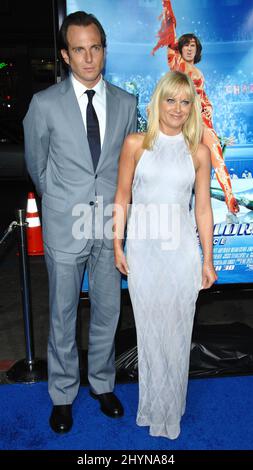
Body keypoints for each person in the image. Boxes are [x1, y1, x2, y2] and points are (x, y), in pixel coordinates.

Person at [23, 11, 137, 434]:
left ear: (103, 51)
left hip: (110, 224)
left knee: (109, 309)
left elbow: (126, 166)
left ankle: (103, 384)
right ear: (66, 56)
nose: (89, 58)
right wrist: (57, 199)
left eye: (95, 48)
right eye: (79, 50)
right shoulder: (44, 104)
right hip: (64, 224)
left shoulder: (126, 103)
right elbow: (37, 165)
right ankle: (63, 393)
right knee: (63, 313)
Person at [113, 71, 217, 439]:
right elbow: (121, 198)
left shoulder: (199, 152)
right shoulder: (135, 145)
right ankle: (154, 407)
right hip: (143, 252)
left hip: (182, 255)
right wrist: (117, 245)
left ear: (192, 108)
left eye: (185, 101)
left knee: (177, 331)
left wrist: (208, 260)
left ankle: (171, 408)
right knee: (150, 332)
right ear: (158, 102)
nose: (177, 108)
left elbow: (202, 209)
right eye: (170, 100)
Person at [151, 0, 239, 215]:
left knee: (216, 155)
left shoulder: (197, 72)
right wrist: (167, 5)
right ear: (180, 47)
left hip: (202, 121)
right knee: (179, 163)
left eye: (194, 46)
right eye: (186, 45)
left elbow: (203, 96)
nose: (190, 48)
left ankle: (230, 198)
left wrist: (210, 107)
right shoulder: (176, 62)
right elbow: (170, 29)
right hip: (181, 119)